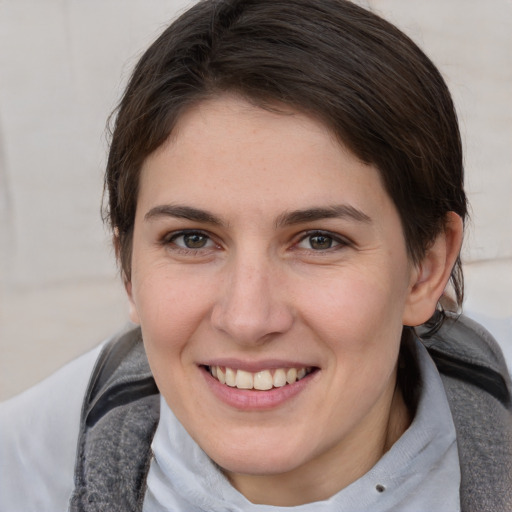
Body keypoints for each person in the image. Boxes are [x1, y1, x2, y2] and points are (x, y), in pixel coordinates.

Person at [1, 0, 511, 511]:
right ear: (128, 270)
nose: (248, 319)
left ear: (425, 268)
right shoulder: (23, 473)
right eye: (192, 239)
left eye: (319, 240)